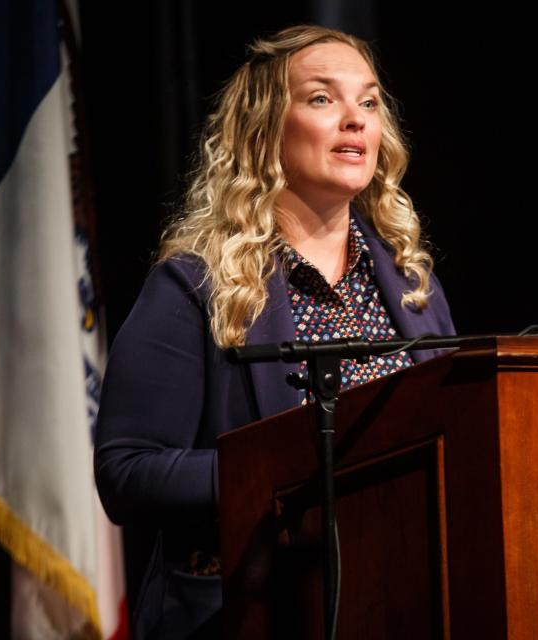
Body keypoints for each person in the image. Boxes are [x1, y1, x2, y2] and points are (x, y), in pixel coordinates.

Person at [94, 25, 455, 638]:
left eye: (368, 102)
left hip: (406, 601)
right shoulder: (195, 285)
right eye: (322, 98)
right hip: (247, 611)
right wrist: (291, 468)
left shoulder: (412, 286)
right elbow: (127, 473)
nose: (354, 120)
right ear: (264, 130)